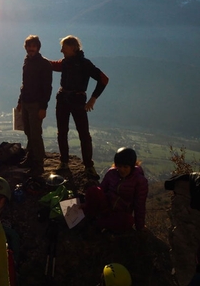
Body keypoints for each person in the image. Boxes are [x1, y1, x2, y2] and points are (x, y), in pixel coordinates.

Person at [51, 35, 109, 179]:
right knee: (65, 132)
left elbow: (104, 79)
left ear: (73, 48)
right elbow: (51, 65)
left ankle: (87, 165)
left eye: (63, 47)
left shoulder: (85, 64)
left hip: (74, 100)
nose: (61, 50)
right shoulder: (65, 62)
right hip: (65, 99)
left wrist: (93, 99)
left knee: (82, 133)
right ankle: (67, 162)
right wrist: (36, 57)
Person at [82, 147, 148, 232]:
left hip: (120, 213)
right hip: (106, 206)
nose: (122, 170)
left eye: (125, 167)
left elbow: (140, 205)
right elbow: (101, 189)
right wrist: (88, 203)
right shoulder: (112, 173)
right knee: (93, 190)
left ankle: (98, 223)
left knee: (128, 221)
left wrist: (140, 227)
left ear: (132, 166)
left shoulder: (139, 181)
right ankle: (91, 216)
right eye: (119, 166)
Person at [16, 35, 53, 177]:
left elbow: (47, 87)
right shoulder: (27, 62)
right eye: (29, 46)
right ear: (26, 48)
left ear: (38, 47)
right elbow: (24, 84)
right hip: (26, 102)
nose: (31, 49)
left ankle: (38, 165)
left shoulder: (44, 64)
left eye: (33, 46)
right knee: (28, 132)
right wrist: (20, 101)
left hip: (36, 104)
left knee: (36, 134)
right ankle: (30, 158)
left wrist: (43, 107)